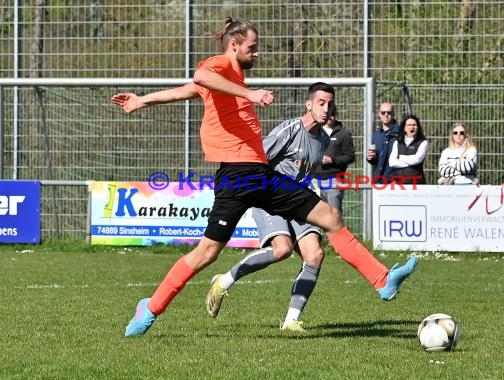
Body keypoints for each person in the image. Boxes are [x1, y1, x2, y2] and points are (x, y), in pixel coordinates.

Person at [112, 18, 417, 337]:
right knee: (207, 252)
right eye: (251, 48)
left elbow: (187, 91)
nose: (256, 54)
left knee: (331, 216)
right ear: (234, 46)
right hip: (235, 178)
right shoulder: (219, 67)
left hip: (260, 175)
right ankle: (150, 308)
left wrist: (143, 100)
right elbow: (199, 76)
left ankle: (383, 280)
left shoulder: (229, 79)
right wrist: (251, 94)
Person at [207, 82, 333, 332]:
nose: (326, 108)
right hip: (269, 196)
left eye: (330, 104)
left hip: (298, 199)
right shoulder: (289, 130)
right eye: (321, 103)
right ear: (308, 104)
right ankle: (224, 281)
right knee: (282, 249)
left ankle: (291, 321)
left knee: (315, 254)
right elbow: (257, 158)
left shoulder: (323, 140)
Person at [312, 105, 355, 213]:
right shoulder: (315, 131)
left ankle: (337, 231)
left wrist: (333, 160)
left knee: (334, 214)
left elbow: (350, 156)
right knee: (315, 214)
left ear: (336, 116)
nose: (330, 117)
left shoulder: (343, 133)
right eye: (328, 114)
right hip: (314, 179)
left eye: (332, 114)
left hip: (334, 179)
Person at [388, 114, 428, 184]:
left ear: (418, 127)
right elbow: (392, 162)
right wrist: (410, 162)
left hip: (417, 183)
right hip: (399, 183)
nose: (412, 127)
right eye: (409, 125)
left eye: (414, 125)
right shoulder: (397, 142)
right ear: (404, 128)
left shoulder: (423, 142)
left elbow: (417, 159)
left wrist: (400, 157)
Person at [366, 102, 399, 184]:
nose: (386, 115)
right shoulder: (376, 135)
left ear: (393, 114)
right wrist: (371, 158)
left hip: (395, 181)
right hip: (378, 180)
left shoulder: (401, 134)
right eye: (383, 113)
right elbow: (376, 160)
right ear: (379, 115)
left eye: (389, 112)